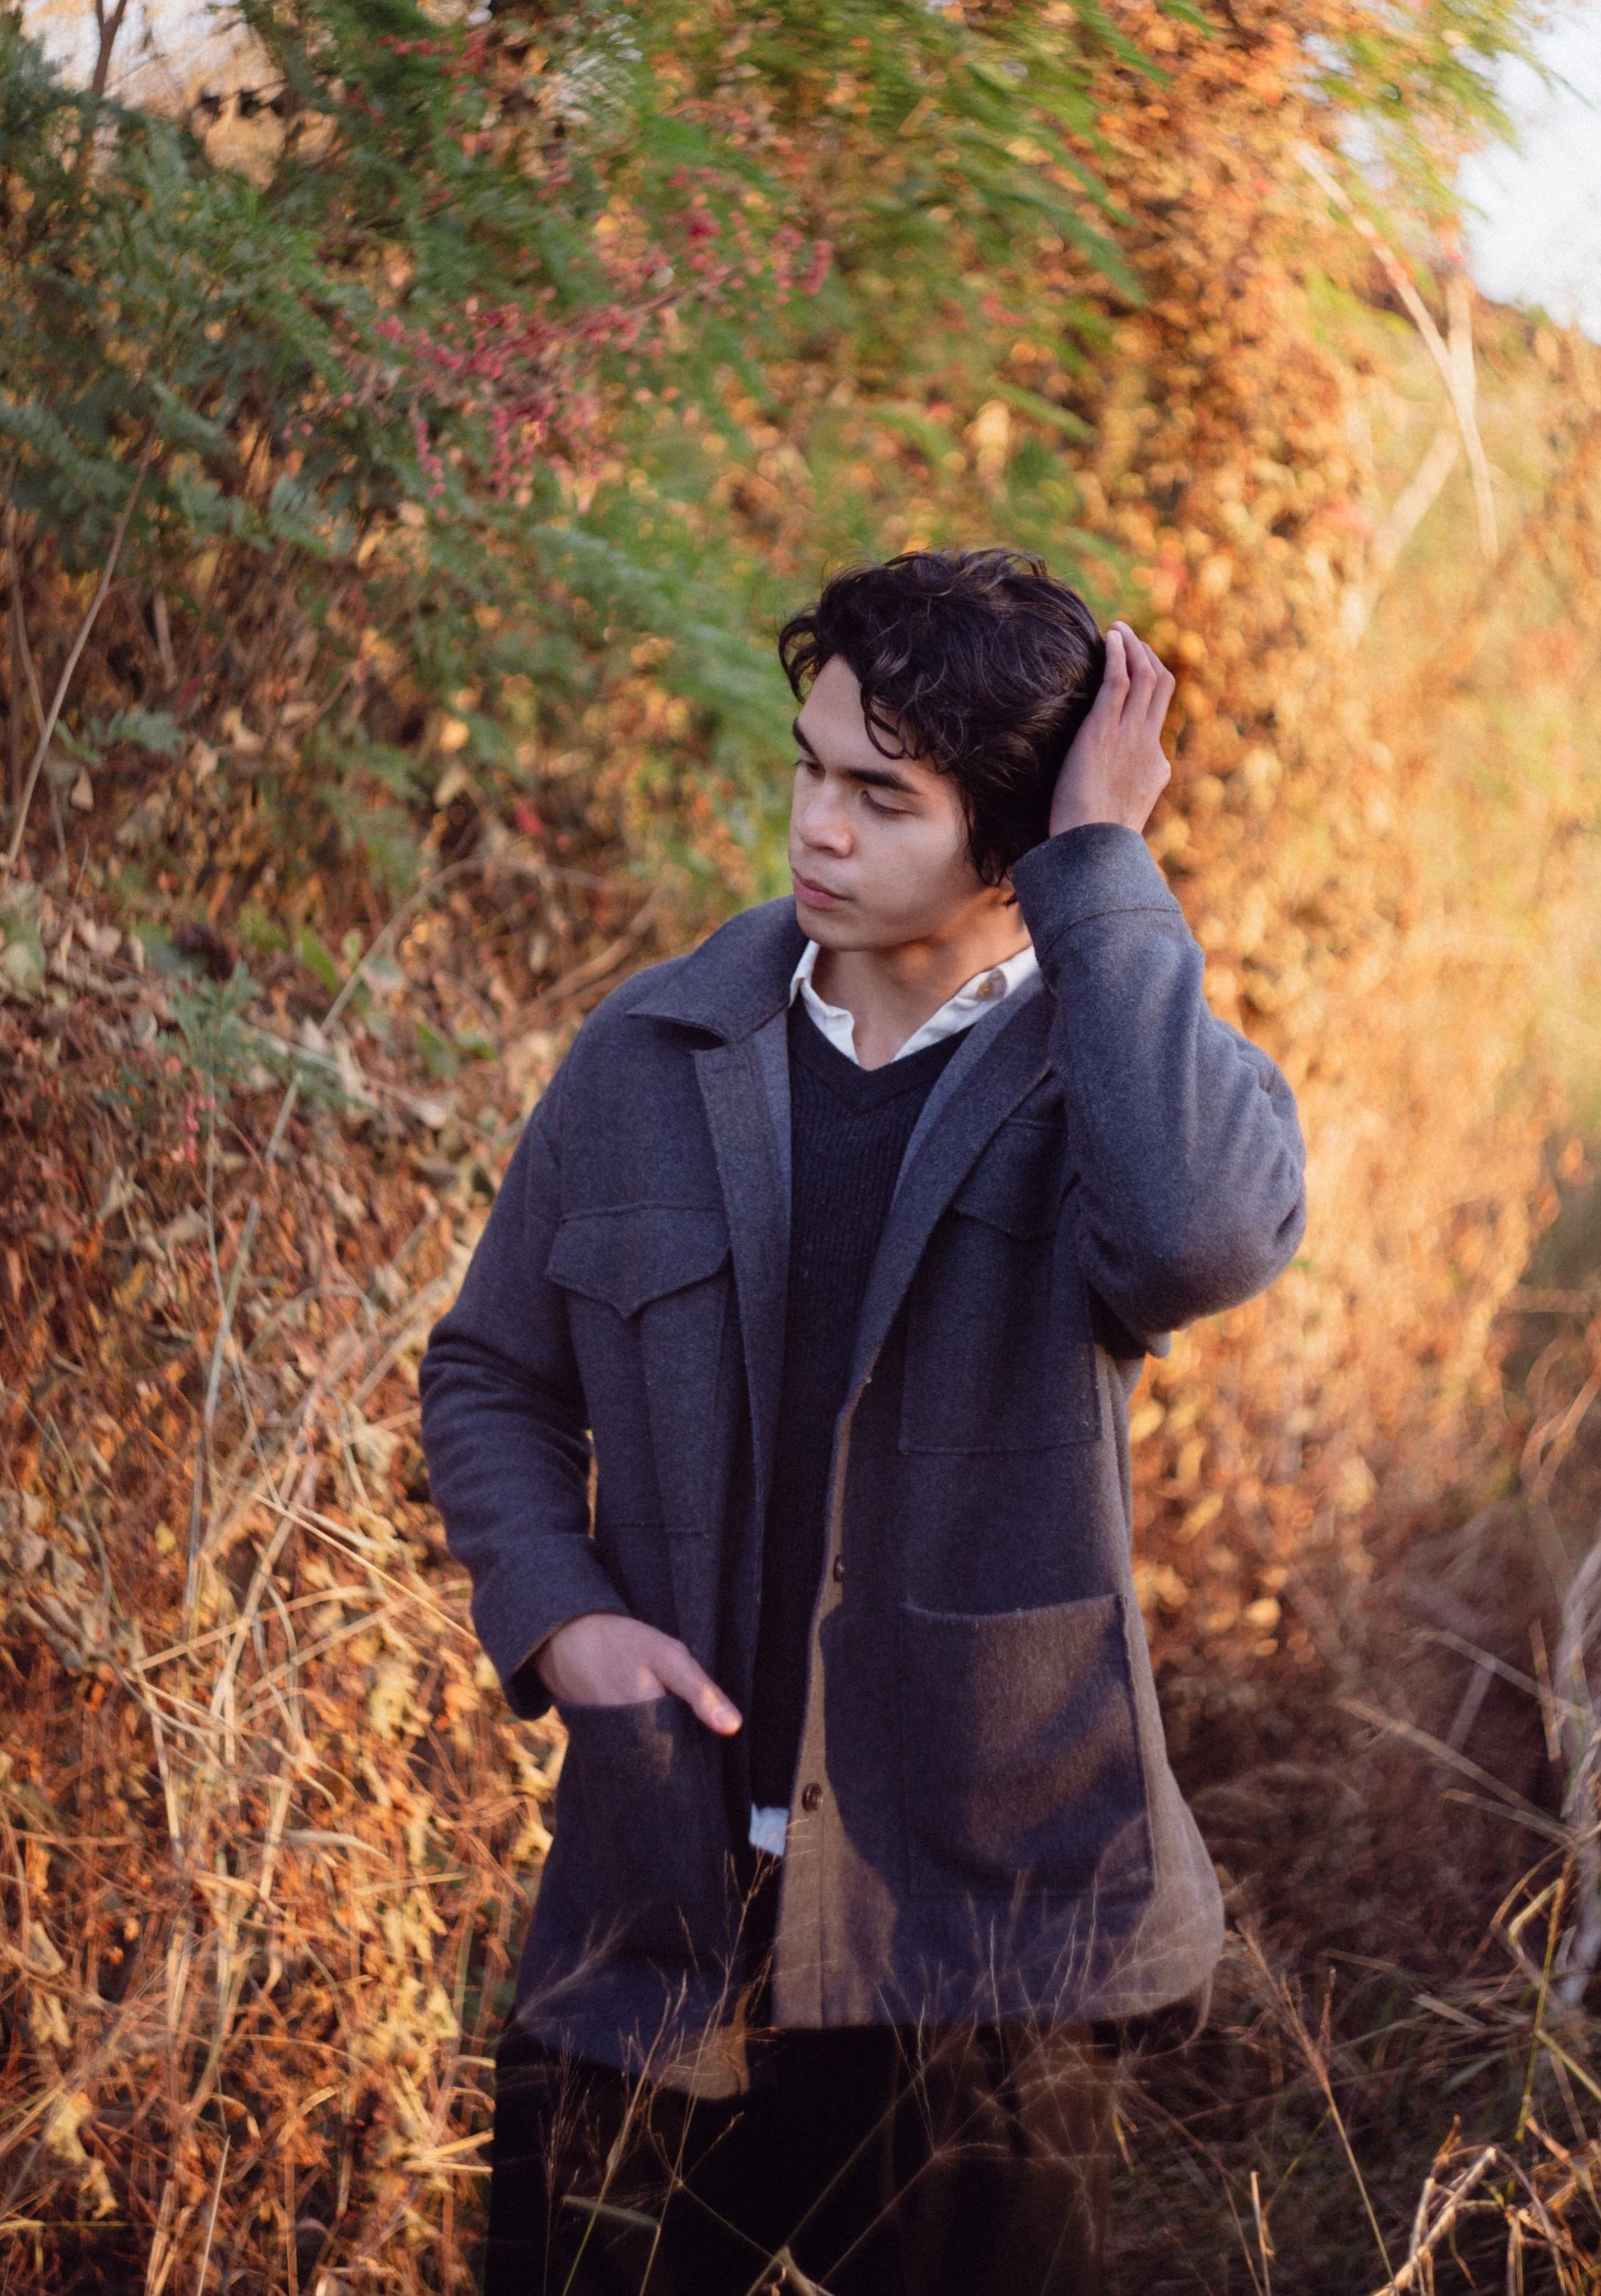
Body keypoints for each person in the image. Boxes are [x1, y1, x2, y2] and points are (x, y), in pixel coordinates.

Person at [419, 547, 1306, 2295]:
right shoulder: (648, 1052)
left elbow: (1201, 1237)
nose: (816, 827)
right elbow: (490, 1373)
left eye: (879, 797)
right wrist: (561, 1615)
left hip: (983, 1947)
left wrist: (1104, 873)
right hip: (651, 1913)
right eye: (809, 769)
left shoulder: (1112, 1075)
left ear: (1009, 844)